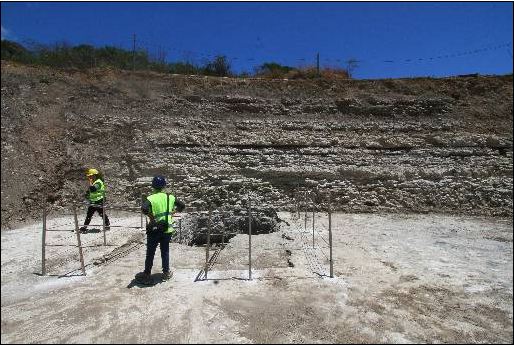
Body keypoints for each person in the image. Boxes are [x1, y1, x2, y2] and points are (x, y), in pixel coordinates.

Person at [137, 175, 185, 285]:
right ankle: (166, 273)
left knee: (150, 252)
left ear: (153, 186)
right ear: (164, 186)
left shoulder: (151, 198)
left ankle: (147, 274)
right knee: (165, 251)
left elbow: (144, 208)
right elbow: (182, 205)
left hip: (154, 229)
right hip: (167, 229)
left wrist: (151, 216)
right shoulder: (170, 197)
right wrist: (173, 212)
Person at [79, 168, 110, 233]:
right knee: (89, 214)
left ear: (95, 175)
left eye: (91, 176)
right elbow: (90, 192)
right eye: (89, 176)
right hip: (93, 201)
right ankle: (84, 227)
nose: (90, 177)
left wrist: (90, 183)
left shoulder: (98, 182)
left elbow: (93, 189)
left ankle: (107, 226)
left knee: (102, 214)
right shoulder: (94, 182)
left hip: (99, 201)